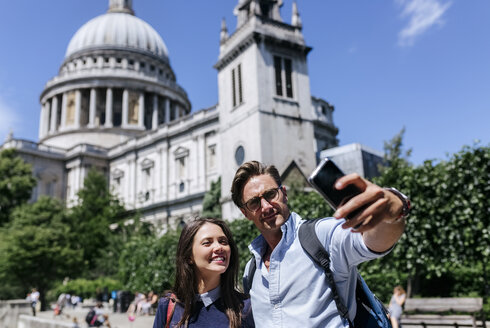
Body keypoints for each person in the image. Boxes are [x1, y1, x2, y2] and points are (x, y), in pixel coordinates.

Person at [231, 161, 410, 327]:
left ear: (284, 194)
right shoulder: (251, 271)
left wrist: (392, 209)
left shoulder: (320, 236)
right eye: (254, 202)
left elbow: (374, 242)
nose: (266, 206)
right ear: (245, 213)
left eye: (271, 194)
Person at [153, 217, 254, 328]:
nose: (218, 247)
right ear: (189, 256)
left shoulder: (245, 307)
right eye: (207, 243)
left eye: (223, 241)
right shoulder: (168, 305)